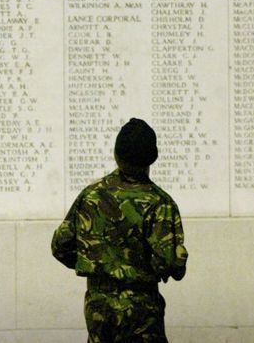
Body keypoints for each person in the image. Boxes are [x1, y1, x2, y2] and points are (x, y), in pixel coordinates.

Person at [52, 117, 188, 342]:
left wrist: (97, 264)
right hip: (142, 311)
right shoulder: (159, 203)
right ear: (152, 158)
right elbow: (168, 262)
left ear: (116, 154)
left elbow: (60, 246)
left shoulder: (90, 195)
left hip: (99, 308)